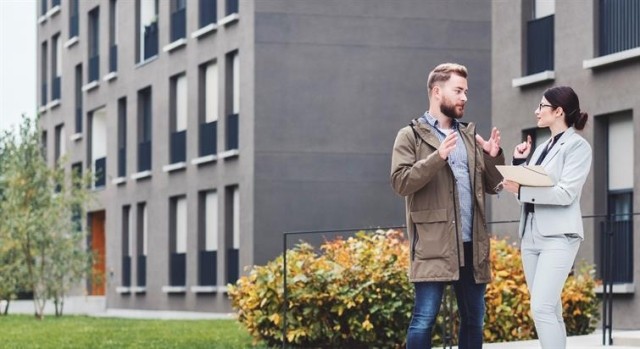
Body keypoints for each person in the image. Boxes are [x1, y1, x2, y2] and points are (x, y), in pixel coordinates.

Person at [390, 62, 505, 349]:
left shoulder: (468, 135)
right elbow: (400, 182)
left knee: (473, 320)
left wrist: (492, 156)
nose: (465, 97)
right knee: (423, 320)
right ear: (436, 91)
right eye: (458, 91)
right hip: (433, 245)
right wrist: (437, 157)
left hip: (472, 244)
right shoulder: (411, 136)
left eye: (466, 92)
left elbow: (493, 185)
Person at [502, 86, 592, 349]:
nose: (536, 111)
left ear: (558, 111)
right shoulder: (541, 147)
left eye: (541, 106)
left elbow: (565, 193)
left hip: (559, 237)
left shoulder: (577, 146)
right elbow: (527, 192)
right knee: (550, 309)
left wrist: (524, 189)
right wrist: (519, 163)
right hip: (530, 234)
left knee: (540, 307)